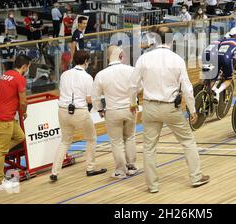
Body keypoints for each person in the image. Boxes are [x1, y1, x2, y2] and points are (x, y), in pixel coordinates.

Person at [129, 26, 210, 193]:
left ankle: (152, 186)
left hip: (150, 107)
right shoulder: (177, 59)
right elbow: (187, 88)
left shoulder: (143, 59)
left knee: (149, 147)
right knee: (188, 142)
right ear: (171, 40)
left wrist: (132, 103)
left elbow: (133, 85)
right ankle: (196, 177)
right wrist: (192, 109)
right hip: (171, 107)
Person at [50, 50, 107, 182]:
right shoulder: (87, 77)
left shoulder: (64, 74)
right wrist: (100, 103)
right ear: (86, 61)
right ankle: (90, 168)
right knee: (92, 139)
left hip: (63, 110)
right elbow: (88, 100)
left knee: (65, 141)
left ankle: (54, 172)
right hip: (79, 111)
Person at [0, 55, 31, 192]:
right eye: (28, 67)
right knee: (2, 152)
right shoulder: (19, 78)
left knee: (20, 137)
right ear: (24, 67)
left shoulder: (6, 74)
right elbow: (23, 101)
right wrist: (23, 112)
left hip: (3, 117)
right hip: (3, 120)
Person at [92, 46, 138, 179]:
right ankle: (131, 166)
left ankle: (120, 170)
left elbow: (95, 96)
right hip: (130, 109)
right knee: (129, 137)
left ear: (108, 57)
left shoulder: (101, 74)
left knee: (116, 141)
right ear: (121, 55)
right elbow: (139, 87)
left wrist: (99, 108)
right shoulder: (131, 70)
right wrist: (133, 100)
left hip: (112, 111)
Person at [211, 27, 236, 104]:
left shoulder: (224, 40)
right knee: (229, 79)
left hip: (216, 58)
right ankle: (217, 91)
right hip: (226, 59)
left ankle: (207, 92)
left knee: (214, 78)